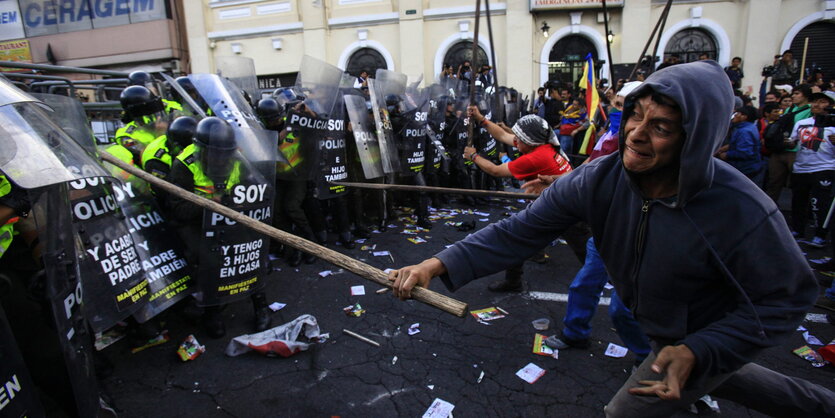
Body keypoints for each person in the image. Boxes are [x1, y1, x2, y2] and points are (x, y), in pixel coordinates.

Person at [388, 61, 832, 417]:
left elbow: (788, 296)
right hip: (662, 336)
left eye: (661, 126)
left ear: (693, 140)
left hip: (703, 336)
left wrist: (702, 349)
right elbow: (518, 231)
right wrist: (435, 264)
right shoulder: (597, 179)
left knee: (626, 409)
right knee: (737, 379)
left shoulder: (742, 207)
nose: (636, 134)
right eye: (635, 116)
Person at [167, 117, 272, 338]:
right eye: (215, 155)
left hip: (233, 216)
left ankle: (260, 304)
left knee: (251, 251)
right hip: (199, 222)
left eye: (226, 155)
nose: (220, 160)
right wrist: (209, 204)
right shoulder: (183, 165)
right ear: (200, 149)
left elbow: (256, 191)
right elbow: (178, 210)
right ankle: (212, 311)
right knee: (207, 258)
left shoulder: (239, 161)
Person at [462, 109, 581, 292]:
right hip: (559, 204)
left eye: (519, 138)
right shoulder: (543, 145)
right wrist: (482, 120)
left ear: (530, 141)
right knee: (519, 237)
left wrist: (473, 156)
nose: (515, 141)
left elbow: (495, 170)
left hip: (563, 209)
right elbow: (502, 135)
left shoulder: (535, 158)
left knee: (590, 257)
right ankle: (518, 275)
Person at [789, 91, 835, 247]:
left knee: (820, 203)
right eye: (815, 101)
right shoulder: (802, 123)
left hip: (824, 168)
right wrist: (786, 142)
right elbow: (793, 141)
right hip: (801, 168)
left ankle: (820, 235)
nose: (817, 105)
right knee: (798, 202)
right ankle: (797, 230)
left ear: (830, 105)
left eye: (822, 102)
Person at [766, 84, 813, 202]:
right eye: (793, 93)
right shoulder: (789, 109)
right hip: (781, 149)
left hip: (796, 152)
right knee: (773, 182)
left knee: (797, 184)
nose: (793, 96)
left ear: (806, 95)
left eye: (797, 94)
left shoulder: (810, 110)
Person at [115, 85, 169, 162]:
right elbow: (143, 158)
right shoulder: (126, 136)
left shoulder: (159, 123)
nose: (158, 118)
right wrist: (160, 137)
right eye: (150, 114)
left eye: (156, 113)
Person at [716, 106, 765, 185]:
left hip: (746, 168)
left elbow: (745, 152)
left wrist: (726, 155)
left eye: (737, 113)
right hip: (749, 167)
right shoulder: (749, 127)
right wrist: (723, 148)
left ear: (744, 117)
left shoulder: (744, 132)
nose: (734, 115)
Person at [141, 116, 198, 180]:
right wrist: (179, 161)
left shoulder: (173, 137)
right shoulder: (155, 162)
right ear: (176, 145)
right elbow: (166, 186)